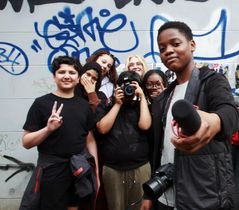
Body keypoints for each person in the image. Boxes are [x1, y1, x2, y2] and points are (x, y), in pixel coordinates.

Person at [146, 21, 239, 210]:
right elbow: (159, 150)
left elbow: (229, 113)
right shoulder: (163, 98)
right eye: (162, 48)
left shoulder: (212, 81)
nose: (168, 51)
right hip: (165, 196)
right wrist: (149, 195)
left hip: (203, 196)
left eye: (175, 43)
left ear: (192, 45)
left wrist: (214, 121)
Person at [19, 56, 99, 210]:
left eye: (72, 72)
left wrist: (94, 170)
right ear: (54, 77)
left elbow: (89, 139)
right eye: (62, 72)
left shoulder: (84, 106)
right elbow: (26, 142)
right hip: (52, 171)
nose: (67, 76)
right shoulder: (41, 104)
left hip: (79, 169)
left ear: (78, 79)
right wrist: (48, 129)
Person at [95, 71, 152, 210]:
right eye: (125, 86)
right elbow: (102, 129)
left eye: (133, 86)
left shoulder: (142, 106)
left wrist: (142, 98)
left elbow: (145, 125)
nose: (129, 89)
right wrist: (117, 104)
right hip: (113, 168)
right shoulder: (107, 104)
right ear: (117, 87)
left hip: (140, 166)